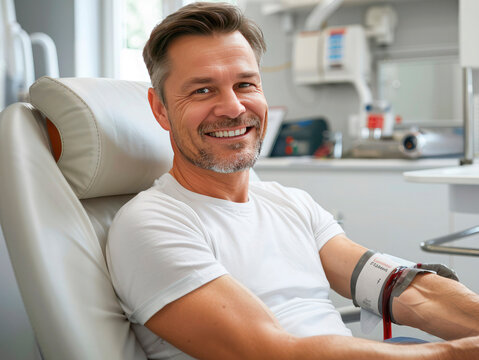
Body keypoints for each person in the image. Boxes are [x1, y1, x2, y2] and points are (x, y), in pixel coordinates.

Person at [106, 2, 479, 359]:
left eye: (245, 84)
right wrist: (452, 354)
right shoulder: (152, 224)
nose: (234, 107)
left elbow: (398, 289)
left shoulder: (290, 203)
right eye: (203, 89)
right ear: (160, 109)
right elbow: (274, 352)